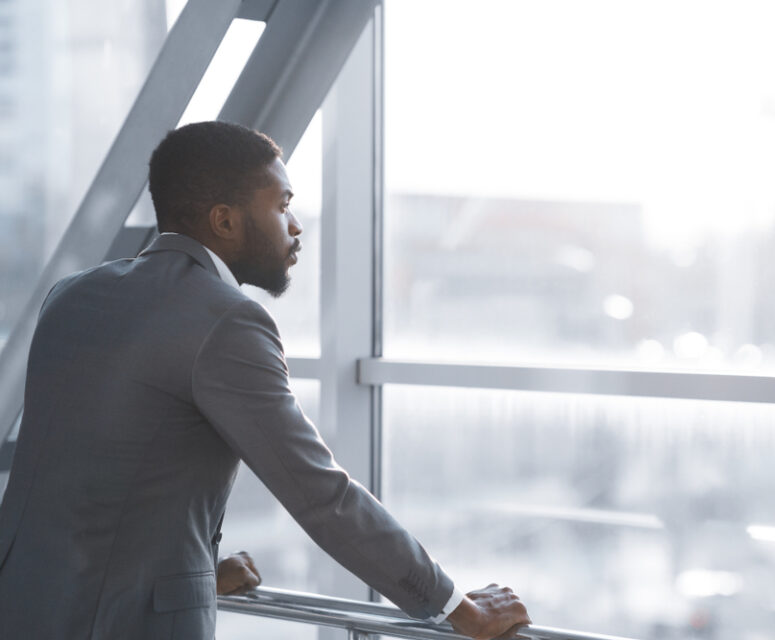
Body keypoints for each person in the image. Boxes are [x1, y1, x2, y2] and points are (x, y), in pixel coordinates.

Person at [0, 121, 531, 639]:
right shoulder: (225, 318)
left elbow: (97, 467)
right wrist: (455, 607)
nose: (295, 225)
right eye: (281, 205)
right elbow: (320, 494)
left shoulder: (73, 294)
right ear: (225, 221)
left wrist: (198, 565)